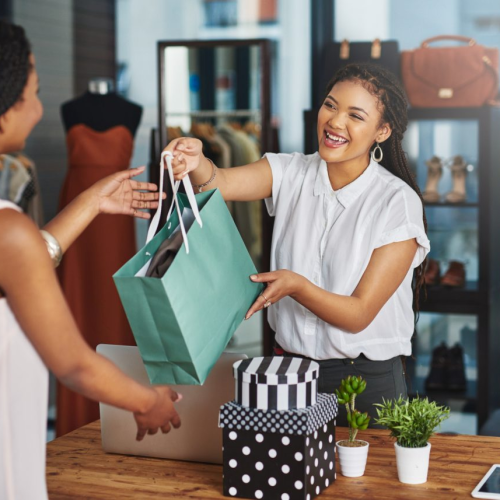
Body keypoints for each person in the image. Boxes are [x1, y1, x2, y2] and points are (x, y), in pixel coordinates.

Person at [165, 63, 430, 426]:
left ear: (382, 131)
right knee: (288, 482)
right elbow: (218, 182)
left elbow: (359, 314)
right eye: (331, 105)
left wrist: (296, 286)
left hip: (366, 384)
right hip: (288, 374)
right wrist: (196, 161)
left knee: (367, 484)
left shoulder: (396, 202)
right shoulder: (289, 171)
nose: (336, 122)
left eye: (355, 115)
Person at [0, 21, 181, 500]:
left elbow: (24, 256)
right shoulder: (9, 231)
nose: (40, 108)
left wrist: (93, 200)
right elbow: (74, 364)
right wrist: (148, 402)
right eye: (33, 93)